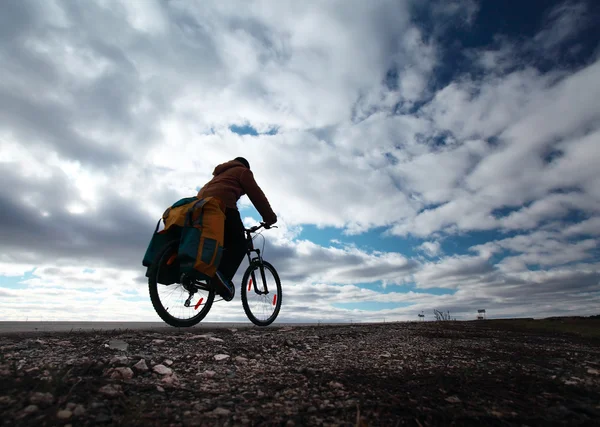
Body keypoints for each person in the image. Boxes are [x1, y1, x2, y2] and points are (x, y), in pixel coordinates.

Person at [196, 157, 277, 300]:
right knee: (240, 243)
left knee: (222, 242)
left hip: (199, 206)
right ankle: (222, 278)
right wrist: (269, 218)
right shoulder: (242, 171)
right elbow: (256, 194)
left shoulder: (220, 175)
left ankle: (211, 273)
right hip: (222, 205)